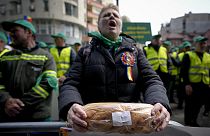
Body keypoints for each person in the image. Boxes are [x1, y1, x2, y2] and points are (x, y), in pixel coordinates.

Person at [59, 4, 171, 132]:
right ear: (98, 25)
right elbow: (70, 83)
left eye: (116, 15)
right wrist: (70, 104)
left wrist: (159, 102)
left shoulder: (135, 51)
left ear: (120, 25)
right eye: (106, 15)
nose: (111, 16)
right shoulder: (86, 52)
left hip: (131, 128)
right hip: (93, 127)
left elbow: (152, 80)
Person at [0, 19, 58, 122]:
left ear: (29, 32)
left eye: (15, 31)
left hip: (38, 118)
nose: (11, 34)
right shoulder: (5, 57)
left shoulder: (46, 57)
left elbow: (48, 84)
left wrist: (20, 104)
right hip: (9, 117)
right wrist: (6, 100)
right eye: (10, 32)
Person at [180, 36, 209, 126]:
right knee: (189, 105)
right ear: (195, 44)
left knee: (199, 105)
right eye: (200, 43)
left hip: (204, 85)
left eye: (204, 43)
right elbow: (183, 71)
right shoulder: (188, 55)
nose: (203, 45)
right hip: (192, 85)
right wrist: (187, 84)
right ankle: (188, 123)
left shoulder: (208, 56)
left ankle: (194, 121)